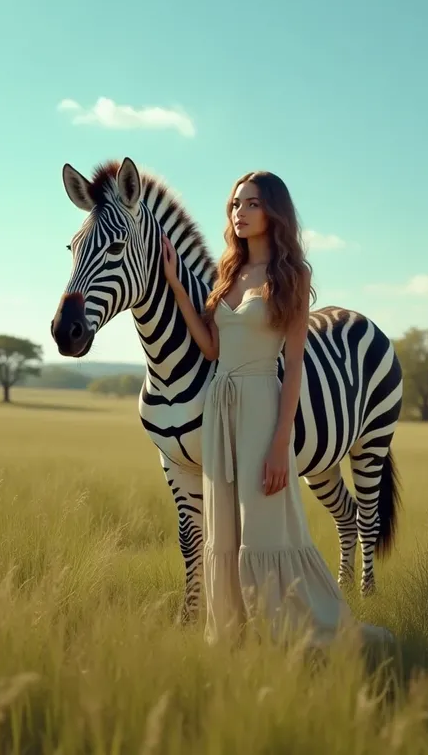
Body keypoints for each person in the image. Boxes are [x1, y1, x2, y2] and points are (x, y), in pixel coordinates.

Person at [162, 171, 393, 650]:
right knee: (223, 526)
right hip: (221, 407)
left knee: (265, 528)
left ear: (274, 212)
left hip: (263, 404)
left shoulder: (292, 274)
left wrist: (280, 444)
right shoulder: (227, 272)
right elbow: (210, 349)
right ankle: (234, 635)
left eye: (251, 204)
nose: (239, 214)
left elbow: (295, 364)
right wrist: (178, 289)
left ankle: (293, 630)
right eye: (234, 205)